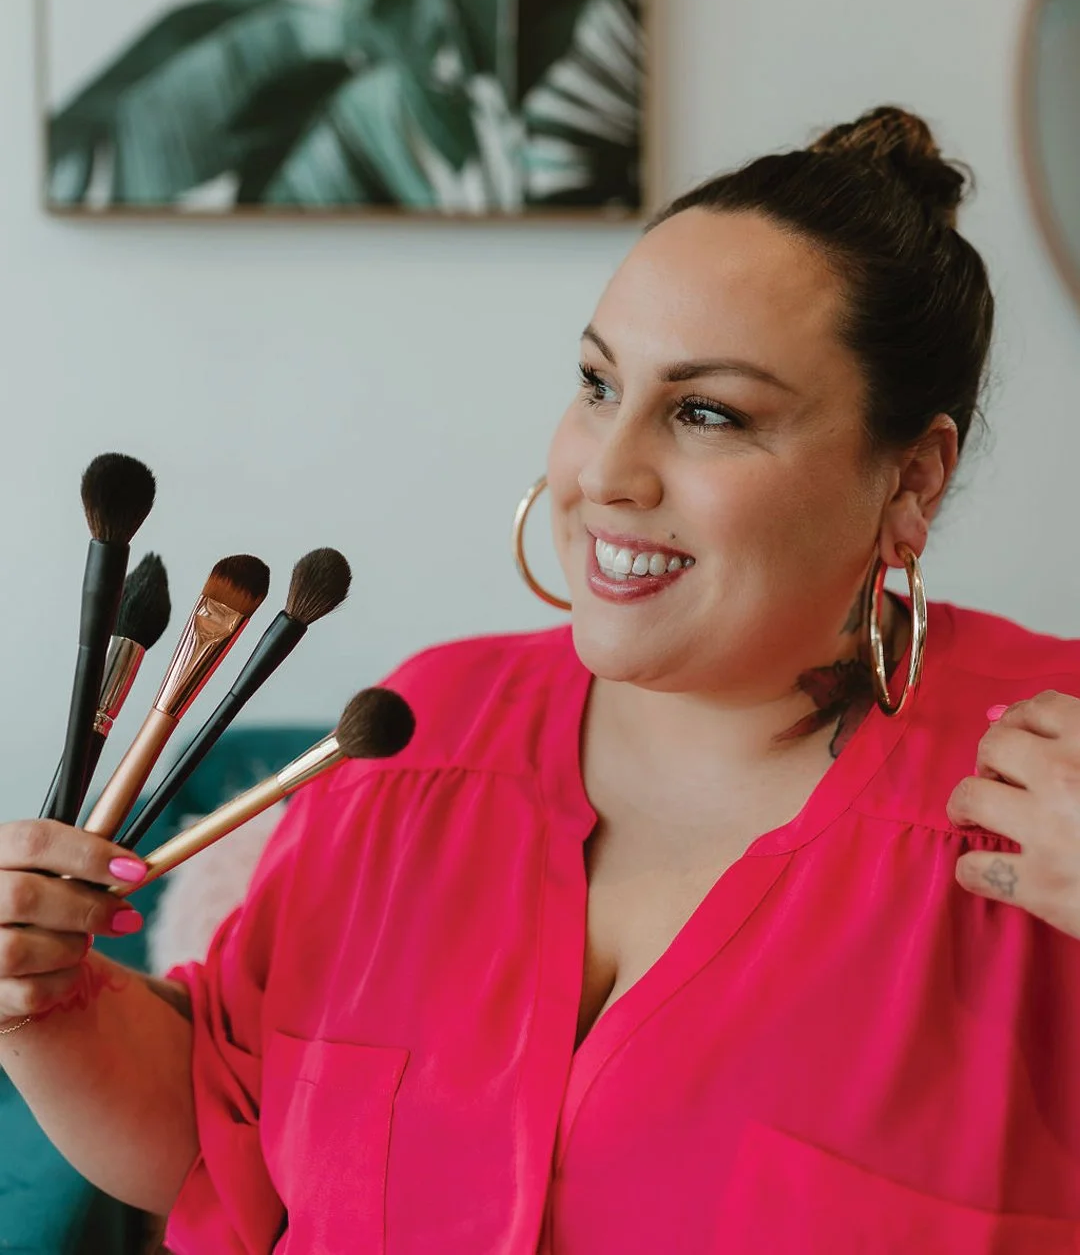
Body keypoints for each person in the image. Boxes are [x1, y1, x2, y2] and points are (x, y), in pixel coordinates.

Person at [4, 106, 1080, 1255]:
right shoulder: (414, 742)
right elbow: (227, 1140)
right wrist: (48, 1001)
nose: (604, 473)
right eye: (598, 384)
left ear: (912, 478)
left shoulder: (1042, 805)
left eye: (707, 412)